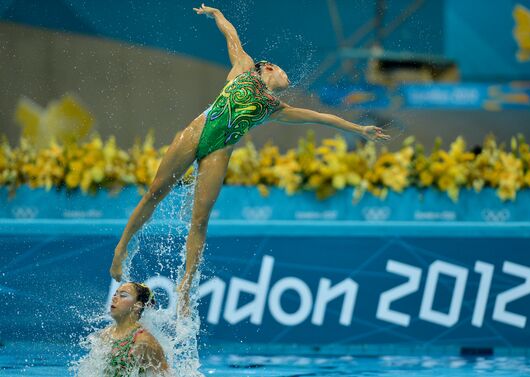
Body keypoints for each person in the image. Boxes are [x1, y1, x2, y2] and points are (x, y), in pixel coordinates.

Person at [110, 4, 390, 314]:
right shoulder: (244, 69)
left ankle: (186, 288)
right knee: (155, 192)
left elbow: (321, 117)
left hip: (220, 153)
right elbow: (232, 36)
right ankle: (122, 248)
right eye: (284, 71)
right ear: (268, 68)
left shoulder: (276, 108)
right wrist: (216, 15)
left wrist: (359, 128)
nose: (288, 77)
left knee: (200, 220)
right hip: (194, 134)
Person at [103, 282, 169, 376]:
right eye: (115, 294)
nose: (114, 298)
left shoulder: (144, 341)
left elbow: (166, 374)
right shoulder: (106, 334)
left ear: (137, 306)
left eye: (123, 295)